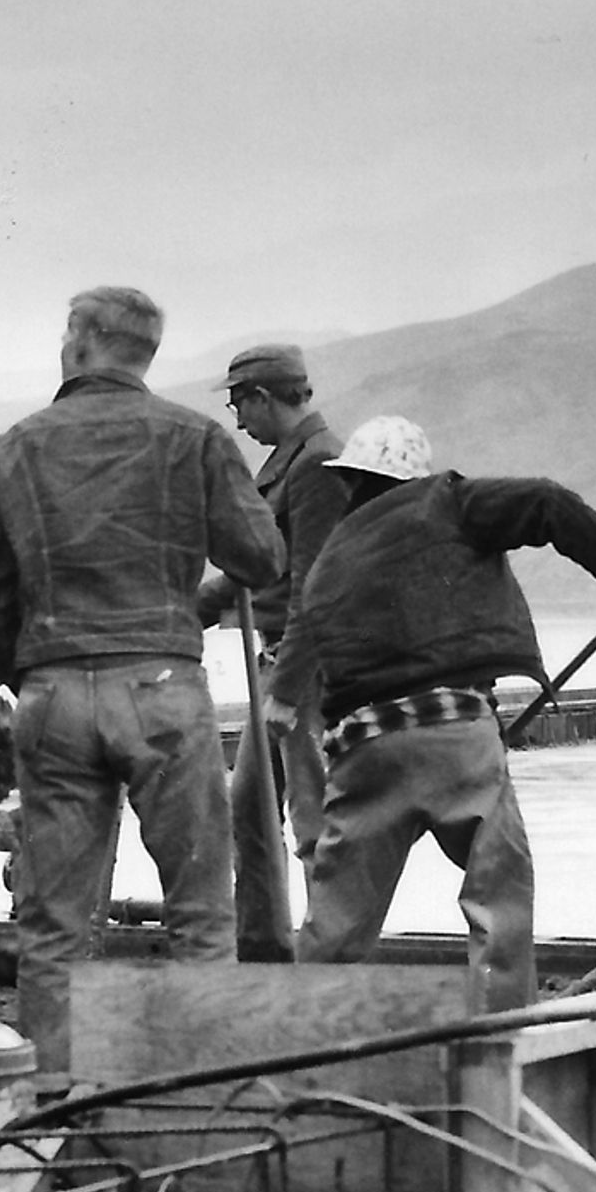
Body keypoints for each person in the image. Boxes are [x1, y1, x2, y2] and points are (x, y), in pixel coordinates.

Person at [0, 285, 277, 1069]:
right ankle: (205, 1085)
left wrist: (29, 670)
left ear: (78, 339)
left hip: (52, 691)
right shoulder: (195, 438)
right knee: (202, 911)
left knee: (54, 925)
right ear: (145, 353)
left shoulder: (14, 446)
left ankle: (54, 1107)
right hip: (164, 685)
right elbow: (262, 560)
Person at [283, 416, 596, 1010]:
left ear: (352, 482)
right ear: (412, 475)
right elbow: (548, 502)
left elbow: (329, 673)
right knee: (497, 895)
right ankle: (500, 1032)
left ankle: (295, 1032)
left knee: (337, 921)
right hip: (455, 732)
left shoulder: (332, 559)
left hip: (362, 750)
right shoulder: (447, 503)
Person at [190, 339, 349, 959]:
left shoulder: (318, 465)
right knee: (250, 810)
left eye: (239, 405)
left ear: (262, 397)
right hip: (278, 662)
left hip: (304, 671)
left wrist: (287, 690)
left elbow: (315, 584)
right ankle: (261, 949)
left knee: (314, 827)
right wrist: (184, 615)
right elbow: (257, 572)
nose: (237, 420)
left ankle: (325, 957)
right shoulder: (292, 462)